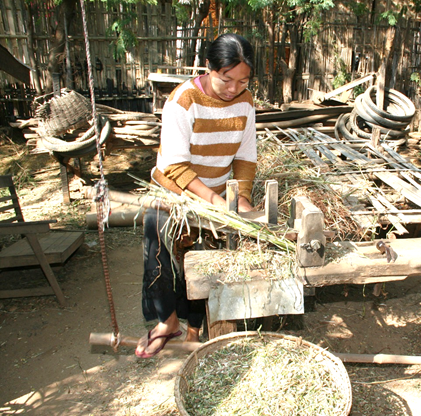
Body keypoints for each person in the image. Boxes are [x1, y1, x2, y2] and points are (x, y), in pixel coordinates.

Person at [135, 33, 257, 358]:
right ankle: (167, 322)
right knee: (157, 259)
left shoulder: (246, 103)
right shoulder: (183, 101)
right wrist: (216, 203)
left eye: (242, 81)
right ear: (208, 68)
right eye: (225, 79)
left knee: (204, 265)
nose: (233, 89)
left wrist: (241, 196)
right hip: (172, 193)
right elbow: (175, 167)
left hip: (215, 193)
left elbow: (245, 157)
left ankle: (194, 329)